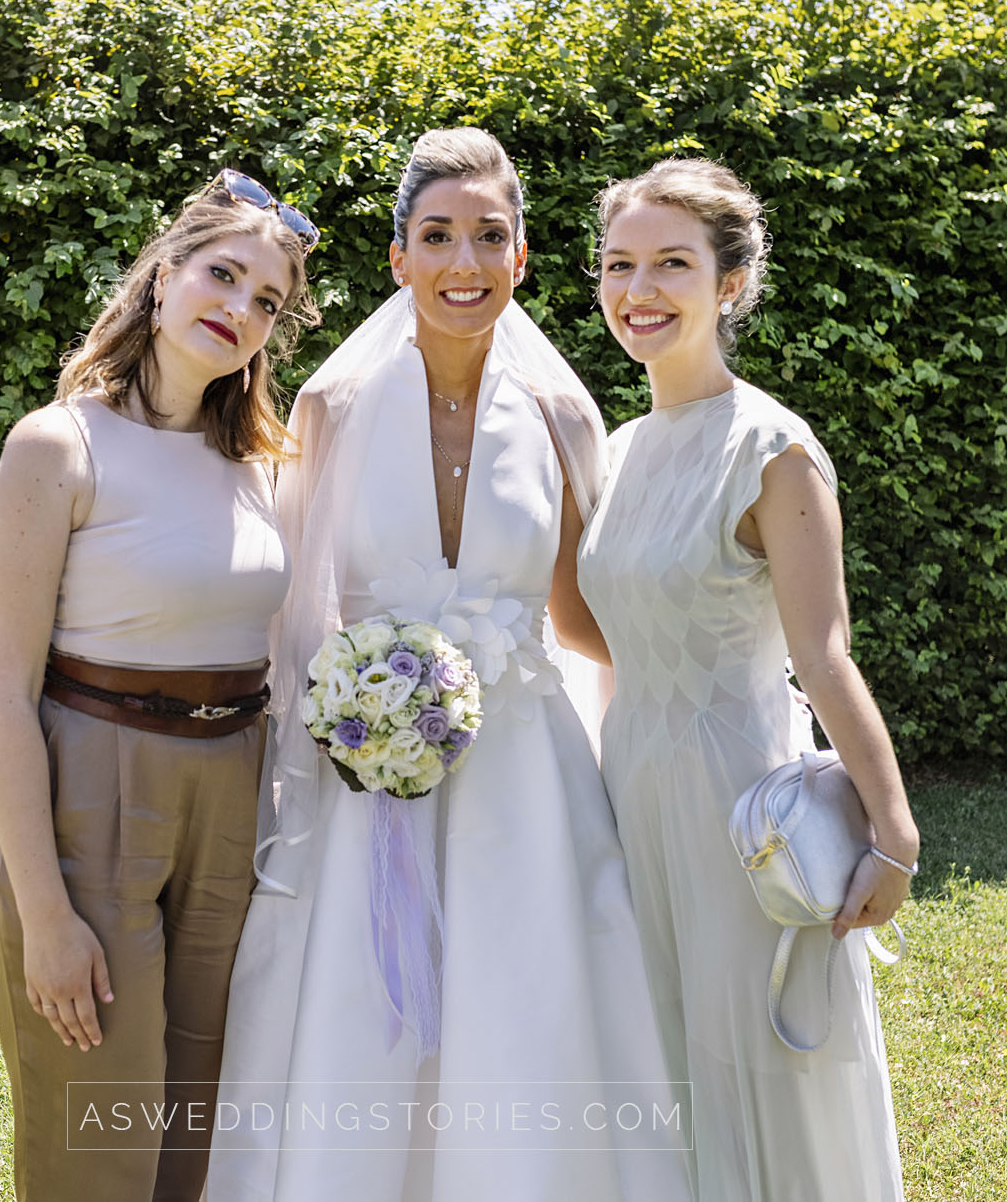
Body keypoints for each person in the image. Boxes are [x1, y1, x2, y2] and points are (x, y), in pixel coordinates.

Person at [208, 128, 691, 1202]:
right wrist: (336, 730)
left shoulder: (566, 416)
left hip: (525, 773)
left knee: (528, 1011)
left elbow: (576, 615)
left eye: (489, 237)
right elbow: (299, 612)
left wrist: (703, 686)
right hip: (362, 782)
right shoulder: (330, 409)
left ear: (521, 258)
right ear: (397, 258)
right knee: (363, 1028)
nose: (462, 264)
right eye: (437, 236)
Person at [0, 169, 319, 1202]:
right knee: (94, 1114)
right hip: (94, 781)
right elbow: (2, 695)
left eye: (266, 301)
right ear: (161, 276)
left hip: (234, 789)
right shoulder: (58, 445)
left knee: (205, 1107)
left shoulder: (266, 461)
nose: (239, 309)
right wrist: (45, 913)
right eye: (222, 274)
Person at [577, 158, 919, 1200]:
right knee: (655, 1047)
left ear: (727, 283)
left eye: (670, 263)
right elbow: (615, 631)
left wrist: (891, 834)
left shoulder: (773, 448)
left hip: (739, 796)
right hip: (626, 783)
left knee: (755, 1058)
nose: (638, 289)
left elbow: (822, 653)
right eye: (618, 264)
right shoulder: (618, 447)